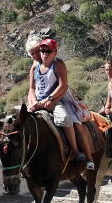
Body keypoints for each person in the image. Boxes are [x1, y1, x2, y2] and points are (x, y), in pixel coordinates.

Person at [27, 38, 95, 170]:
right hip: (40, 101)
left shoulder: (57, 64)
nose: (41, 54)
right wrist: (35, 103)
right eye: (38, 52)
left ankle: (80, 153)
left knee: (67, 120)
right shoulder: (35, 67)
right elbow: (32, 88)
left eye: (46, 51)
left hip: (58, 100)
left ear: (54, 52)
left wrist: (50, 99)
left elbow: (63, 85)